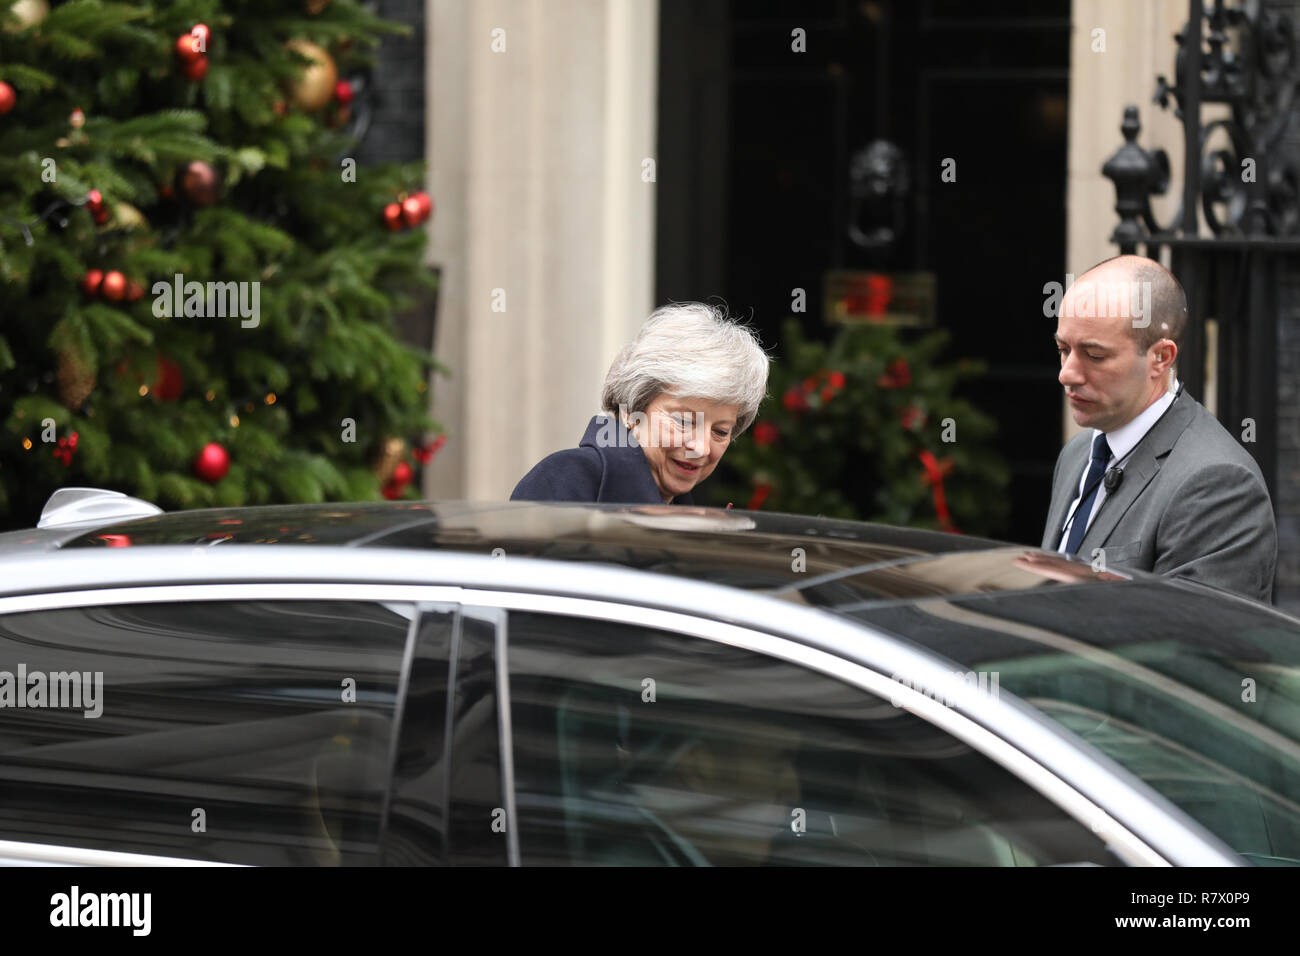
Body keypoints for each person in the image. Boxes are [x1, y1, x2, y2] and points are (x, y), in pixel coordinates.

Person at [1042, 255, 1277, 602]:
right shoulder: (1078, 454)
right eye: (1063, 349)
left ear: (1161, 358)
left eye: (1094, 355)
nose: (1067, 374)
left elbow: (1193, 645)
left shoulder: (1218, 483)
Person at [511, 302, 769, 505]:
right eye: (683, 421)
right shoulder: (567, 479)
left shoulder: (683, 508)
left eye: (720, 432)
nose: (700, 447)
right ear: (632, 412)